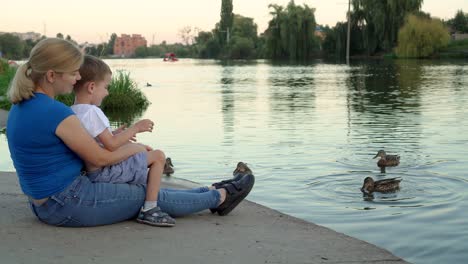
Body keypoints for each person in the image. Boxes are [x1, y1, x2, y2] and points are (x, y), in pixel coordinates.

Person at [6, 38, 255, 227]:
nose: (77, 77)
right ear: (51, 75)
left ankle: (206, 190)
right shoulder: (56, 113)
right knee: (142, 196)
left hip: (43, 203)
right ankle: (221, 197)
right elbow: (100, 159)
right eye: (73, 72)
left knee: (146, 188)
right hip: (68, 203)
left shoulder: (21, 106)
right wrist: (135, 146)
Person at [71, 55, 173, 227]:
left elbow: (98, 141)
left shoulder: (73, 112)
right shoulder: (92, 112)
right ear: (91, 87)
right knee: (158, 156)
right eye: (106, 87)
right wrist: (136, 128)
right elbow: (111, 144)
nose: (107, 92)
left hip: (94, 170)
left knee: (144, 152)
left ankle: (144, 194)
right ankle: (150, 208)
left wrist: (117, 133)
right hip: (105, 171)